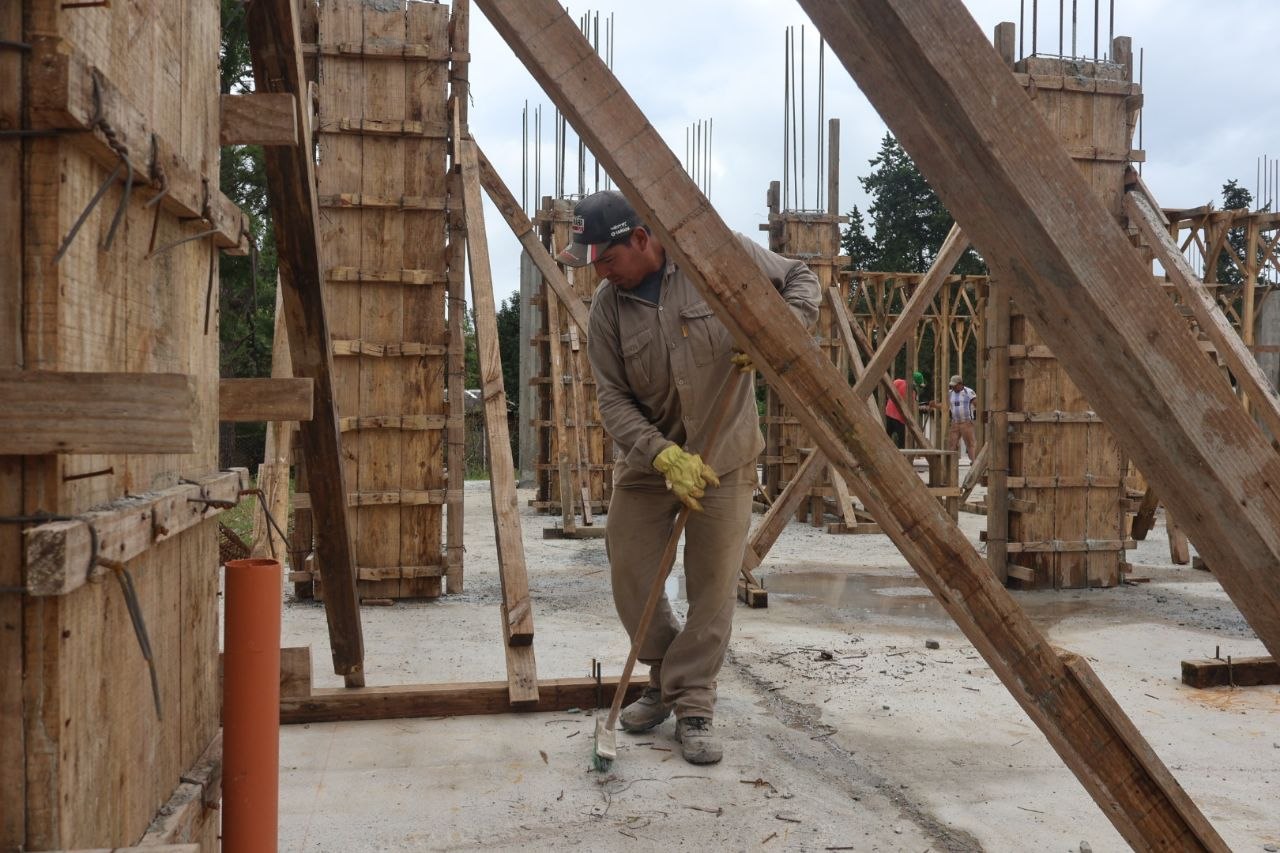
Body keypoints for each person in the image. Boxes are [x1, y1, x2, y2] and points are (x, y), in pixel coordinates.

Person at [563, 190, 819, 765]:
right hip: (651, 461)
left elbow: (801, 279)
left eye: (606, 259)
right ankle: (663, 675)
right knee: (630, 566)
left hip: (725, 454)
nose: (600, 273)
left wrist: (777, 332)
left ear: (640, 239)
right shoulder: (608, 309)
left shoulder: (716, 256)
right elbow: (613, 399)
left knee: (713, 583)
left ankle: (694, 700)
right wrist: (662, 456)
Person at [946, 374, 978, 463]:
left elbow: (977, 404)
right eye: (952, 385)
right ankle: (952, 465)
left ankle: (974, 463)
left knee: (970, 444)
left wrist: (976, 419)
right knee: (952, 444)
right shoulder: (950, 393)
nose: (953, 387)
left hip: (966, 422)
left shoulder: (969, 392)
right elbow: (945, 406)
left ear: (960, 384)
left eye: (955, 385)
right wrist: (935, 405)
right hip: (955, 422)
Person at [884, 377, 909, 448]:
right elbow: (909, 406)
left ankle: (885, 450)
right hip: (899, 417)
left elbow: (888, 392)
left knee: (886, 436)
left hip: (889, 412)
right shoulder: (912, 392)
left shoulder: (898, 381)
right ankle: (901, 454)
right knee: (902, 440)